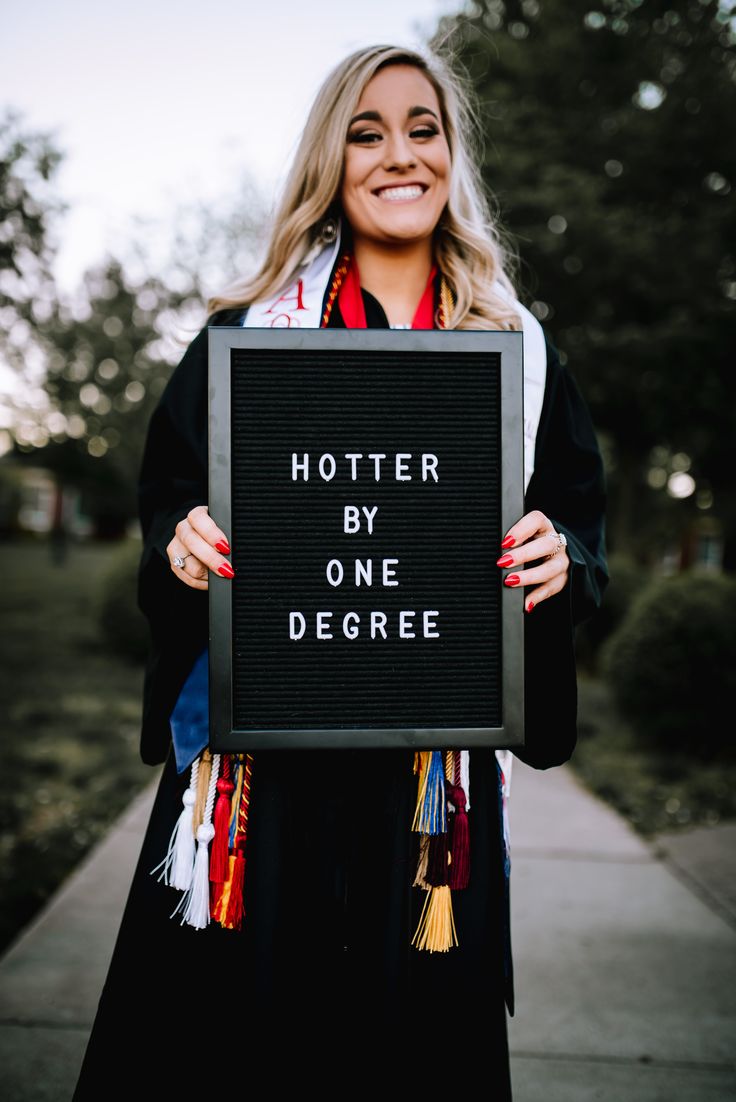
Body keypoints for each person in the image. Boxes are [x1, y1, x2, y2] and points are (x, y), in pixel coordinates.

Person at [73, 43, 607, 1098]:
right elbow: (165, 502)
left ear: (452, 157)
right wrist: (181, 544)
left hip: (429, 787)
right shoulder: (245, 336)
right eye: (367, 132)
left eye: (423, 128)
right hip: (268, 778)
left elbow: (580, 530)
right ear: (332, 157)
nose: (397, 154)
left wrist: (564, 560)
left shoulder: (519, 356)